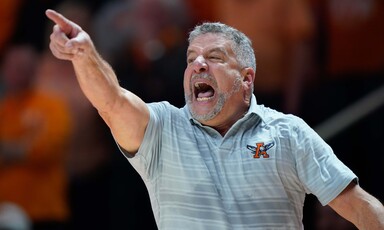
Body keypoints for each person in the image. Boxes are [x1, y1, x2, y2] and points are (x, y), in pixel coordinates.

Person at [45, 9, 384, 229]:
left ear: (247, 79)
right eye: (192, 58)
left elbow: (359, 206)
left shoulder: (288, 133)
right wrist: (84, 54)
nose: (199, 65)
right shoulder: (163, 129)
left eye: (215, 57)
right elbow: (112, 101)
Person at [0, 43, 72, 230]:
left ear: (35, 70)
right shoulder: (3, 109)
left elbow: (46, 149)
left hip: (43, 211)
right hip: (6, 212)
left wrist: (9, 149)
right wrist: (23, 146)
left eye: (24, 67)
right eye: (14, 67)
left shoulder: (52, 106)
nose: (19, 73)